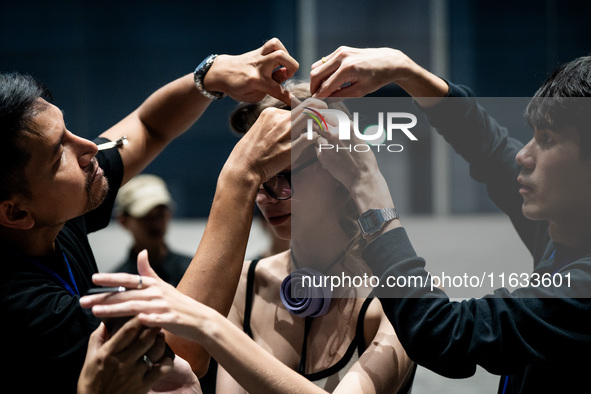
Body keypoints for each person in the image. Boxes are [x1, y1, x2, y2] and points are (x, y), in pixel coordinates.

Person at [0, 38, 297, 392]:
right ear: (16, 212)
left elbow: (148, 126)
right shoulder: (25, 308)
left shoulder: (52, 213)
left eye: (67, 128)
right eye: (57, 154)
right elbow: (182, 356)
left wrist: (209, 76)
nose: (89, 146)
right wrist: (241, 175)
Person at [80, 85, 416, 393]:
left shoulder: (399, 300)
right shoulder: (243, 284)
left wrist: (208, 324)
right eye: (259, 177)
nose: (267, 195)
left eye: (287, 174)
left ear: (342, 169)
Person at [306, 46, 591, 392]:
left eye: (546, 139)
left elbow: (445, 335)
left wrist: (367, 186)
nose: (523, 154)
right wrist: (405, 70)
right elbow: (485, 144)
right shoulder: (569, 227)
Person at [112, 174, 191, 287]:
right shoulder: (117, 284)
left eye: (160, 214)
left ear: (170, 214)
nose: (155, 224)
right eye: (145, 217)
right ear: (123, 221)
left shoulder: (192, 270)